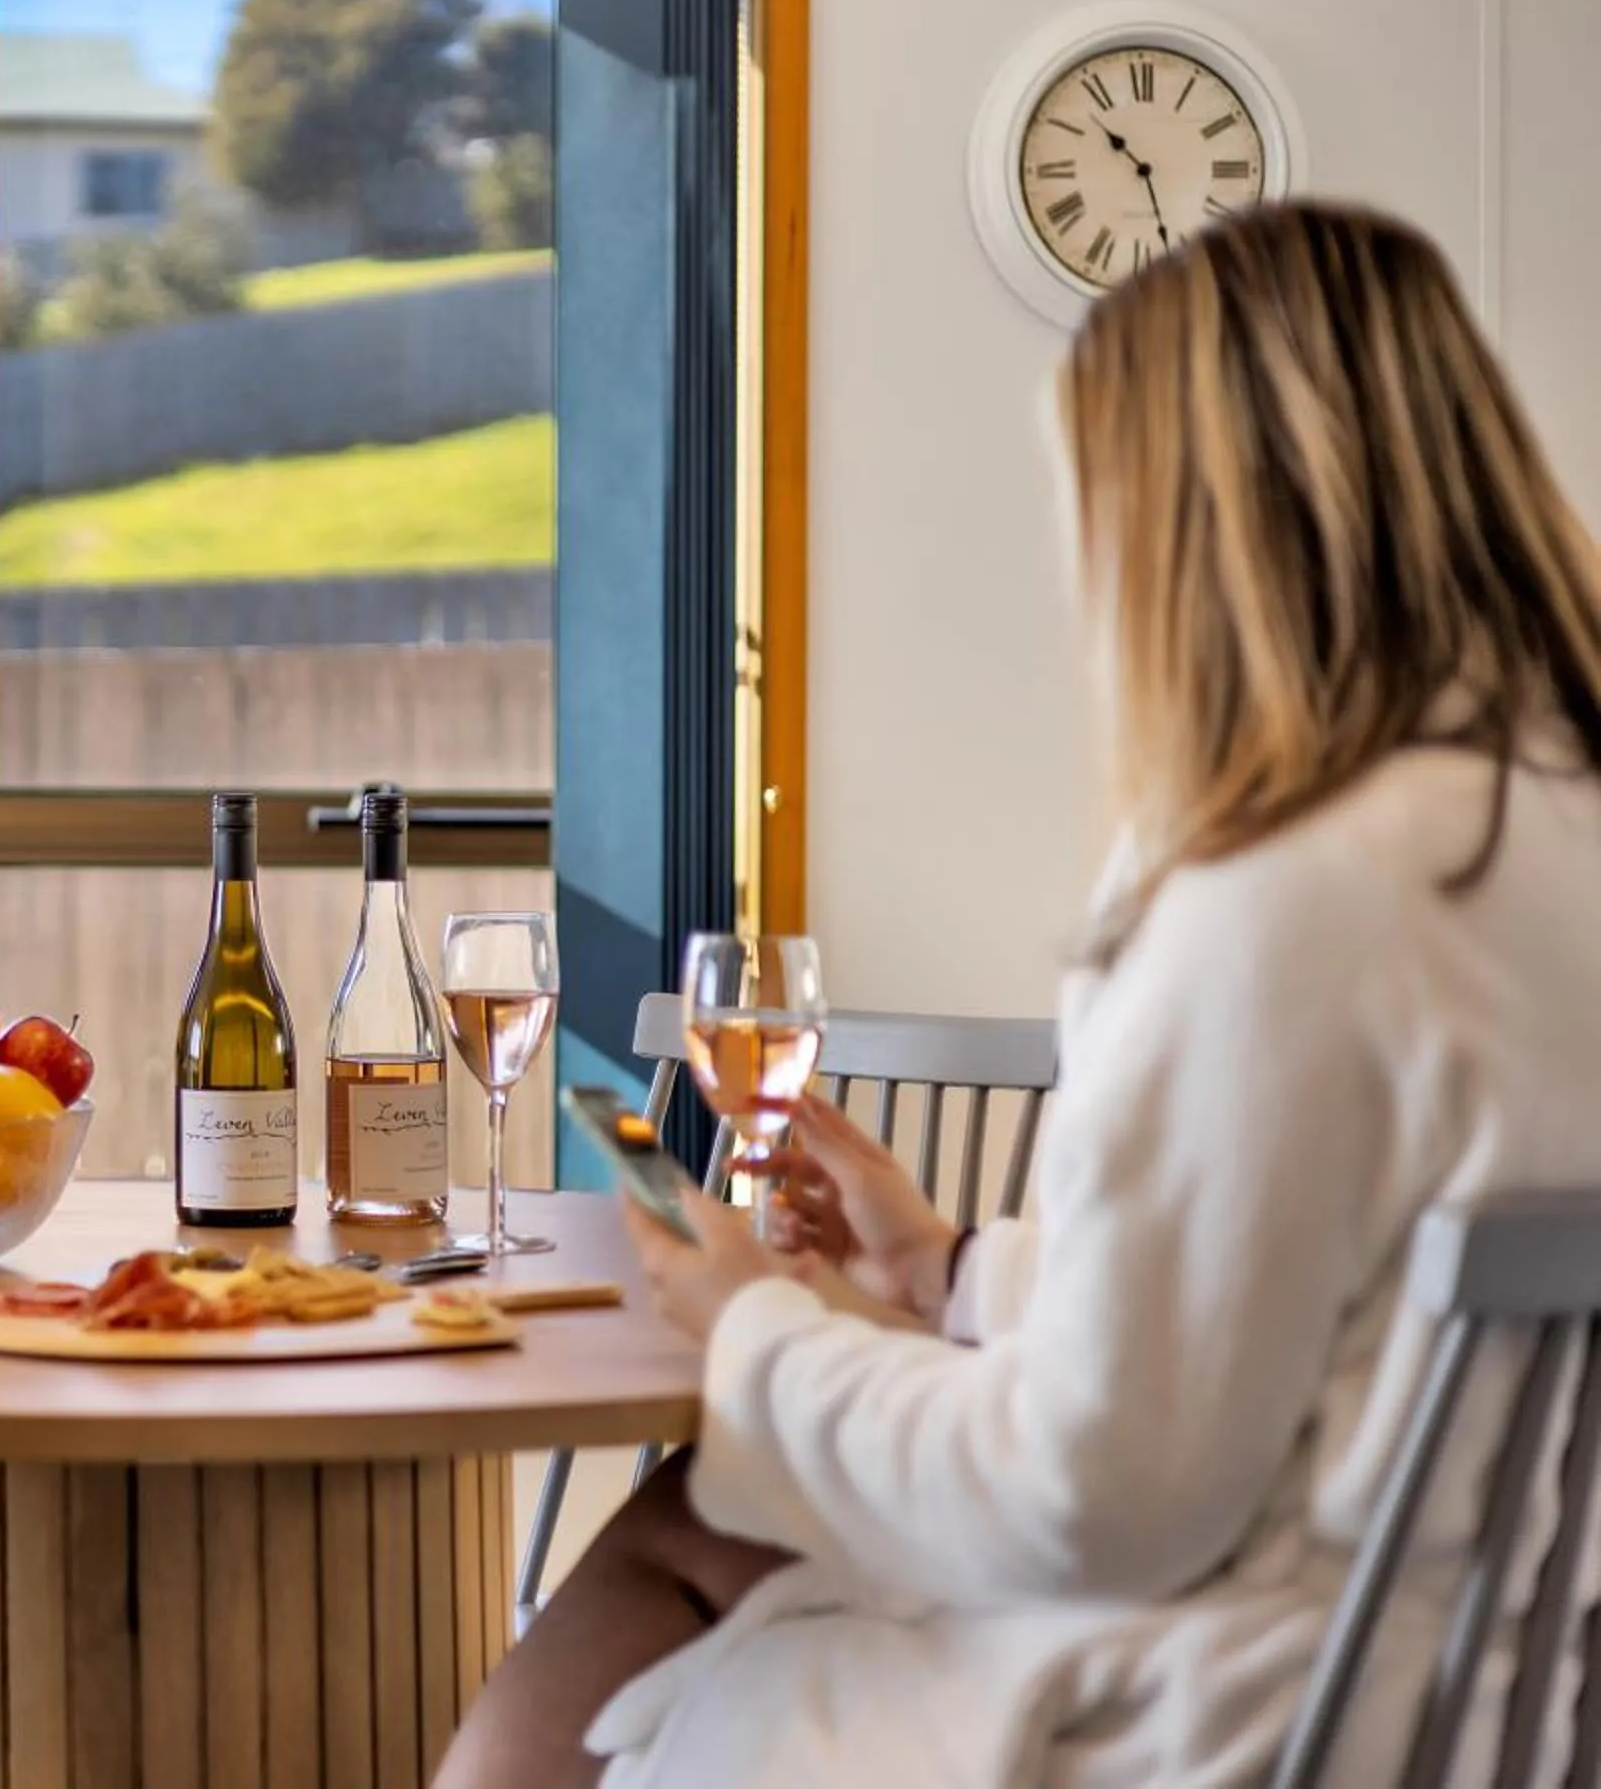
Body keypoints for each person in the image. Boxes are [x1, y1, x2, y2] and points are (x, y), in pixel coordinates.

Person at [439, 199, 1601, 1788]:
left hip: (1238, 1708)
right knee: (695, 1535)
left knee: (634, 1594)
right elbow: (1309, 1306)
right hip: (1491, 1678)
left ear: (1182, 527)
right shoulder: (1537, 825)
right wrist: (950, 1267)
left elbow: (1096, 1497)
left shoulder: (1286, 898)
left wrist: (759, 1323)